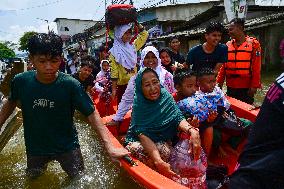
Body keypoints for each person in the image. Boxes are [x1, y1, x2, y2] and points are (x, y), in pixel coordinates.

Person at [0, 33, 129, 179]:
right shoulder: (21, 81)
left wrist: (109, 146)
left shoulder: (70, 85)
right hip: (36, 147)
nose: (48, 67)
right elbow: (10, 102)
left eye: (54, 61)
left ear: (61, 59)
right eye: (42, 61)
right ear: (31, 59)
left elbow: (92, 113)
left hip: (68, 146)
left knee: (81, 180)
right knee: (33, 180)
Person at [124, 67, 201, 179]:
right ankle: (154, 177)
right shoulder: (139, 103)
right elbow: (142, 134)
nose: (153, 88)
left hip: (162, 138)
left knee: (171, 151)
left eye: (155, 82)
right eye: (147, 85)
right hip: (139, 140)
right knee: (159, 152)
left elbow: (178, 117)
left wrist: (192, 130)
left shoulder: (165, 95)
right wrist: (158, 161)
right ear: (140, 88)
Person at [229, 72, 284, 189]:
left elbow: (255, 67)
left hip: (253, 171)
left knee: (246, 124)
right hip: (259, 177)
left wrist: (254, 84)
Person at [107, 46, 175, 127]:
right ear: (142, 59)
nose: (150, 60)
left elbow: (172, 96)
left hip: (165, 115)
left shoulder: (167, 76)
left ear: (157, 58)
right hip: (144, 117)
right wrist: (117, 118)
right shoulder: (136, 79)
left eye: (153, 57)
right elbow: (127, 100)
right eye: (147, 57)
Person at [217, 18, 262, 105]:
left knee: (246, 111)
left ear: (240, 28)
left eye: (231, 29)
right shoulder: (227, 45)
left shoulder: (254, 44)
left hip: (246, 87)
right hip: (230, 87)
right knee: (232, 110)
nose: (229, 32)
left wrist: (254, 86)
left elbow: (256, 67)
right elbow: (223, 68)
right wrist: (219, 85)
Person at [110, 23, 148, 104]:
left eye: (129, 33)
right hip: (123, 87)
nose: (128, 35)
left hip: (136, 83)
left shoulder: (133, 47)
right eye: (125, 33)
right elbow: (114, 73)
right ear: (119, 34)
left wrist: (137, 23)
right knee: (125, 112)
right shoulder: (113, 52)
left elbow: (144, 35)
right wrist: (113, 90)